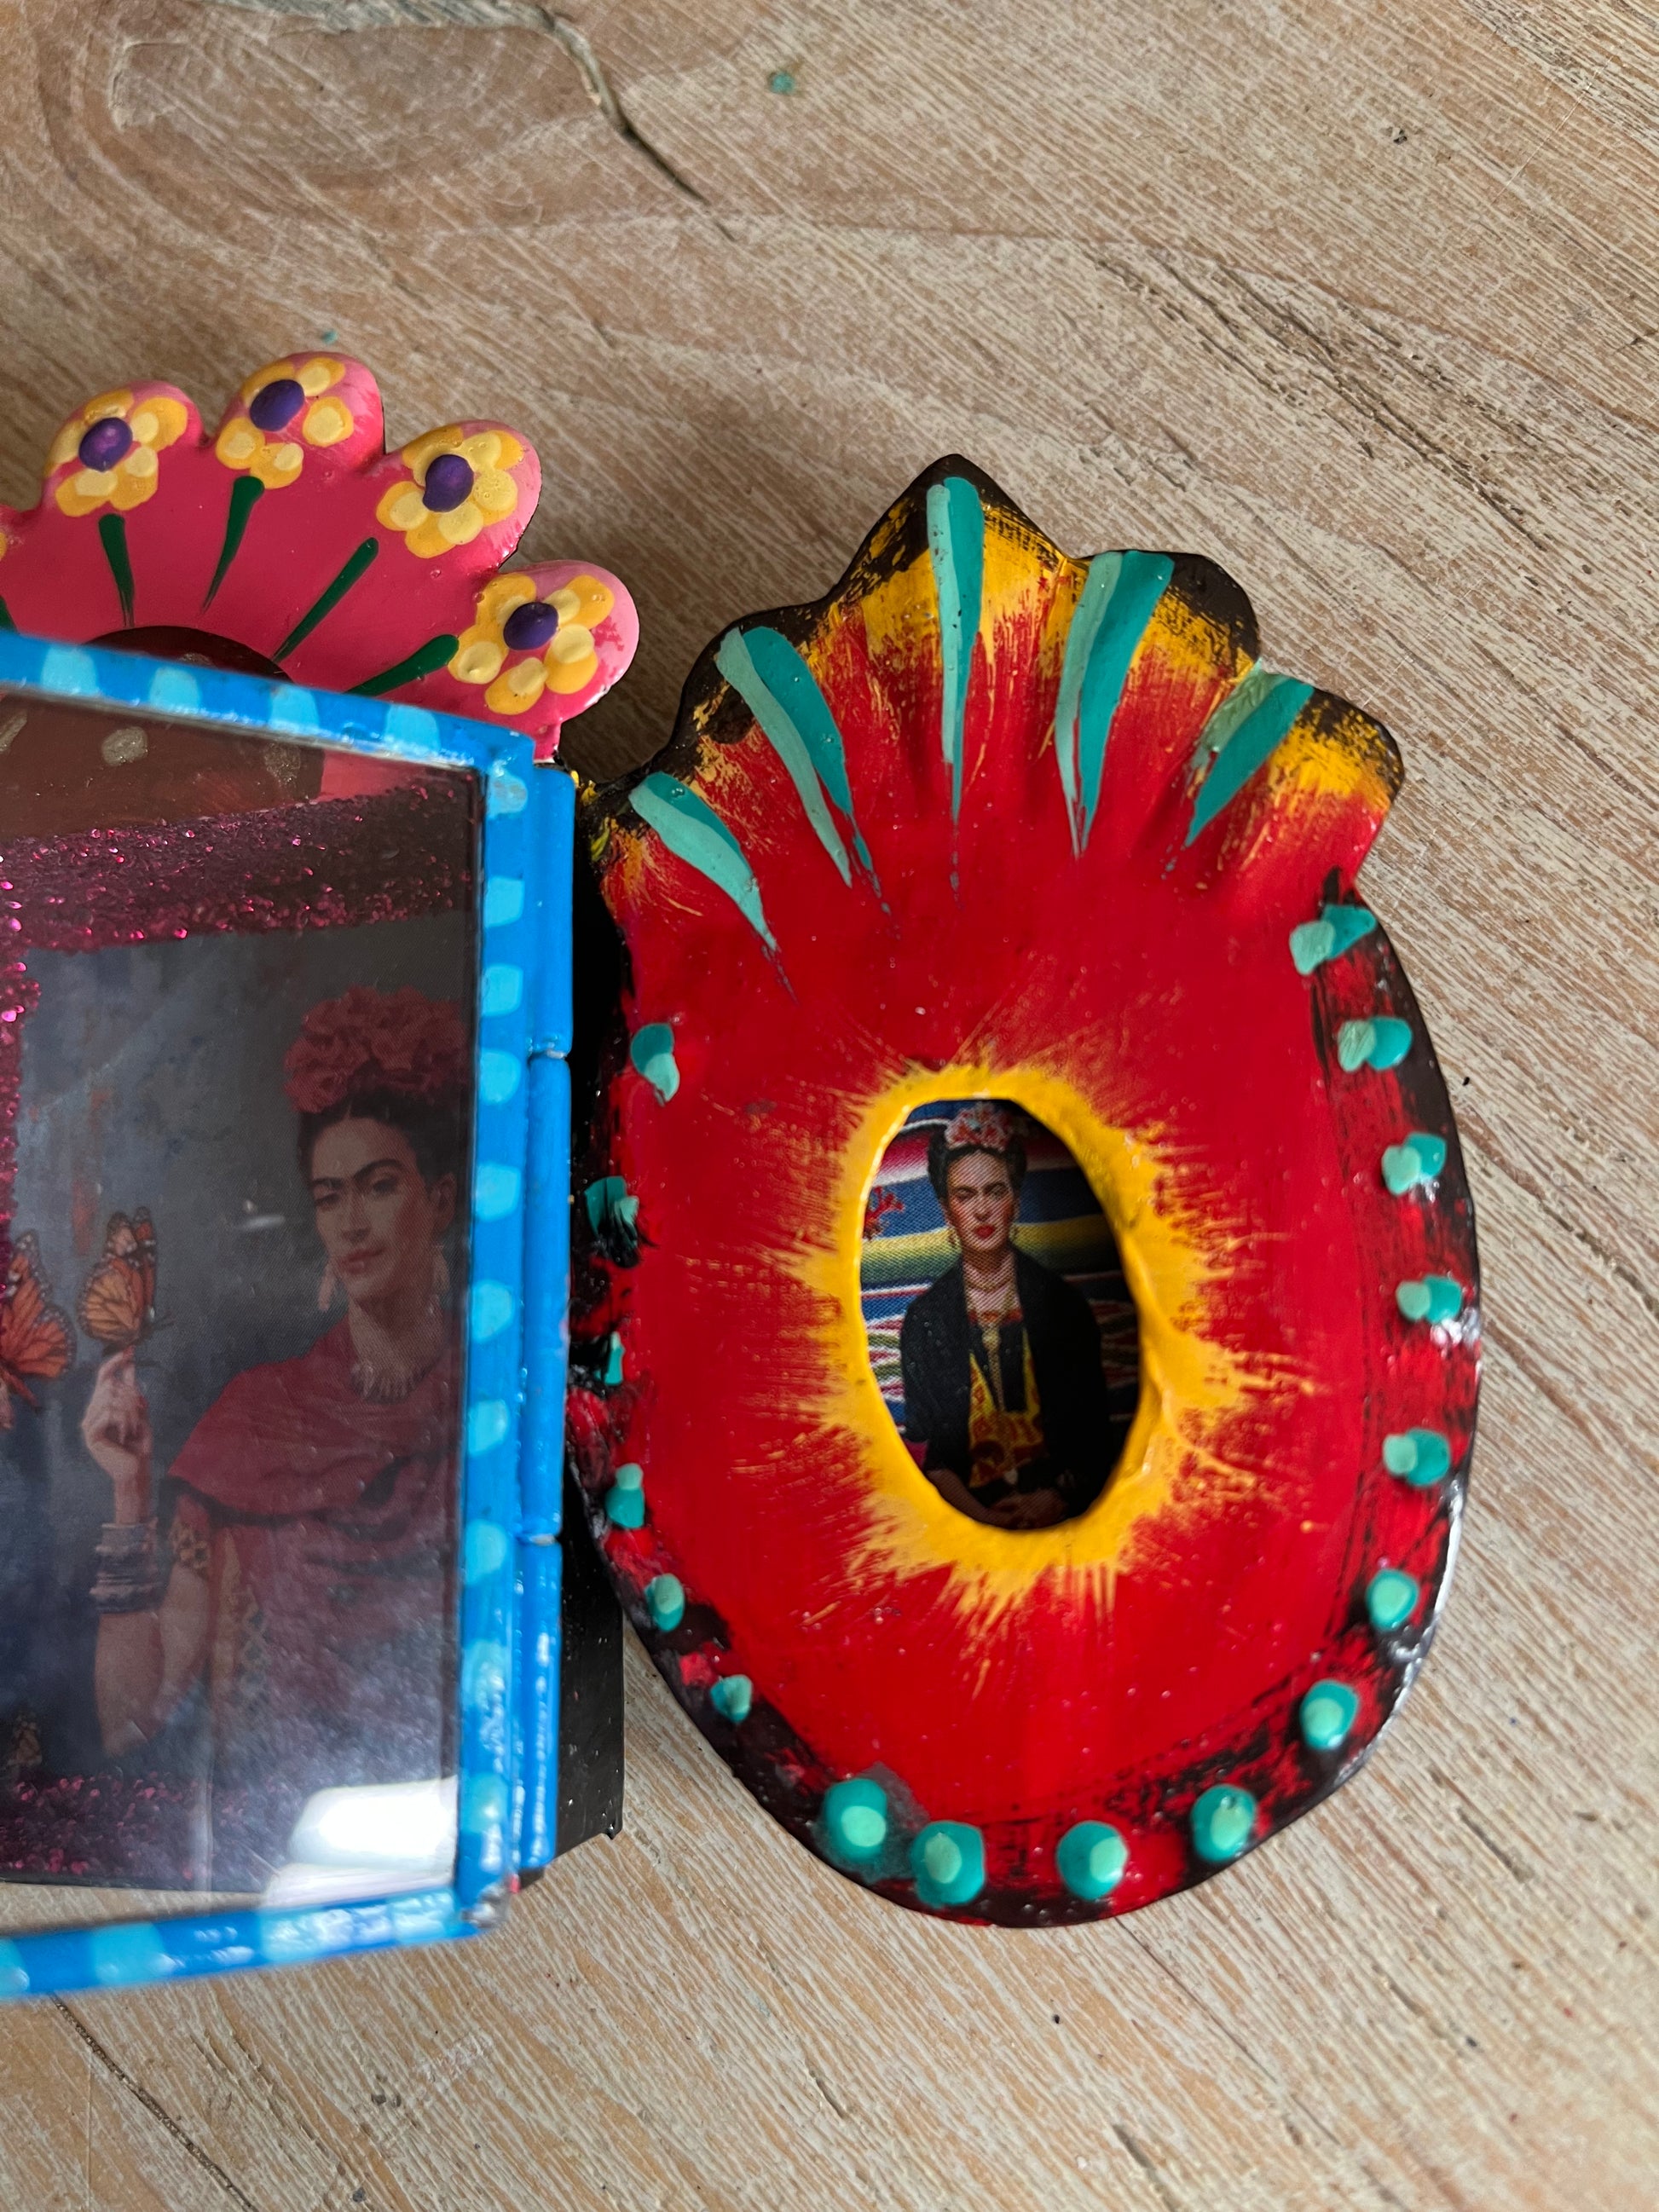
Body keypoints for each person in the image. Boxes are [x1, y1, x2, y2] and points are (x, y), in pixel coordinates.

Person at [79, 985, 465, 1880]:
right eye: (330, 1197)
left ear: (440, 1199)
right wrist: (129, 1494)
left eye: (380, 1186)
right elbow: (131, 1717)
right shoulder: (257, 1419)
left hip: (436, 1846)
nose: (353, 1223)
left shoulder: (486, 1409)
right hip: (271, 1859)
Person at [898, 1104, 1113, 1530]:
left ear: (1015, 1199)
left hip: (1068, 1521)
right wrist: (982, 1519)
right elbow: (931, 1458)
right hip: (964, 1525)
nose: (982, 1211)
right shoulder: (924, 1321)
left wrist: (1056, 1500)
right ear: (946, 1211)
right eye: (965, 1196)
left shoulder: (1064, 1306)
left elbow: (1097, 1440)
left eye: (995, 1191)